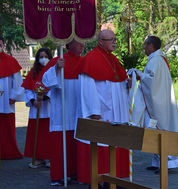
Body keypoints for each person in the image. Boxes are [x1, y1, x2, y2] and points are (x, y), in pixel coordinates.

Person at [75, 29, 130, 184]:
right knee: (101, 145)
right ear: (100, 41)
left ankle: (115, 179)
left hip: (116, 112)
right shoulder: (91, 59)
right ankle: (100, 181)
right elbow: (87, 88)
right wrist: (93, 111)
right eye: (110, 39)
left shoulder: (113, 59)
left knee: (115, 143)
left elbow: (118, 81)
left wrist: (128, 84)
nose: (114, 42)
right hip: (102, 111)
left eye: (115, 39)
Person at [131, 35, 178, 172]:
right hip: (158, 101)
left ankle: (165, 163)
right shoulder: (157, 59)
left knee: (158, 132)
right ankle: (157, 161)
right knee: (153, 133)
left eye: (145, 44)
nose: (143, 47)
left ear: (151, 46)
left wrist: (139, 75)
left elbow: (151, 82)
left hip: (157, 105)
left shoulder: (156, 60)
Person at [42, 39, 84, 186]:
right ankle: (59, 175)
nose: (82, 45)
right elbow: (46, 81)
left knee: (76, 144)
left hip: (78, 109)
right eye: (79, 42)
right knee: (61, 145)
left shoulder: (85, 61)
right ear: (68, 45)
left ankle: (75, 173)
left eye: (83, 42)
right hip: (62, 109)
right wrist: (57, 69)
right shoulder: (58, 60)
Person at [21, 47, 53, 168]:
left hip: (48, 108)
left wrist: (44, 98)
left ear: (49, 58)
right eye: (41, 57)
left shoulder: (52, 72)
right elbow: (28, 89)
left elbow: (55, 89)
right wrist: (34, 101)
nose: (43, 59)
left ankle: (49, 157)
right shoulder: (33, 72)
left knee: (48, 135)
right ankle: (38, 157)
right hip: (36, 109)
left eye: (45, 56)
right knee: (37, 135)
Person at [0, 36, 25, 159]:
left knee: (7, 127)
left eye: (0, 44)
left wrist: (14, 96)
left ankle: (10, 152)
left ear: (3, 45)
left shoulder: (11, 61)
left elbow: (18, 81)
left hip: (6, 100)